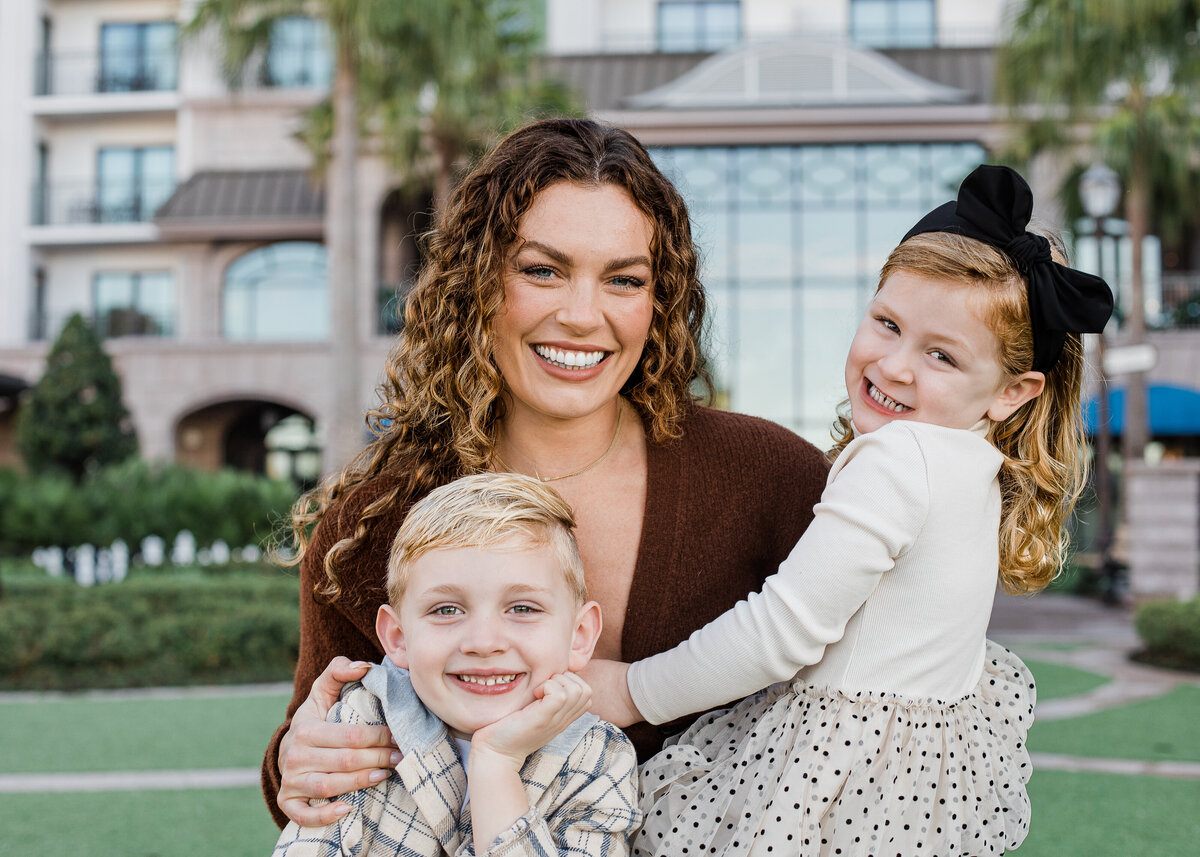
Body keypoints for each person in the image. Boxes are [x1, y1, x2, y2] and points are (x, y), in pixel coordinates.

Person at [264, 117, 832, 829]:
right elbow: (311, 756)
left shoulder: (771, 480)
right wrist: (300, 763)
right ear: (477, 282)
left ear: (657, 302)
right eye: (543, 270)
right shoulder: (373, 525)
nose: (582, 315)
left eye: (624, 279)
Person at [586, 165, 1114, 856]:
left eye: (941, 355)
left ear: (1013, 390)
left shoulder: (897, 460)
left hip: (831, 782)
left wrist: (632, 689)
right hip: (912, 801)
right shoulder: (975, 465)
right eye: (887, 323)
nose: (894, 364)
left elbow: (782, 631)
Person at [271, 473, 640, 856]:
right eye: (446, 609)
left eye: (523, 608)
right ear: (397, 637)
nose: (483, 643)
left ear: (579, 635)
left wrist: (496, 764)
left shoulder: (600, 759)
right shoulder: (362, 721)